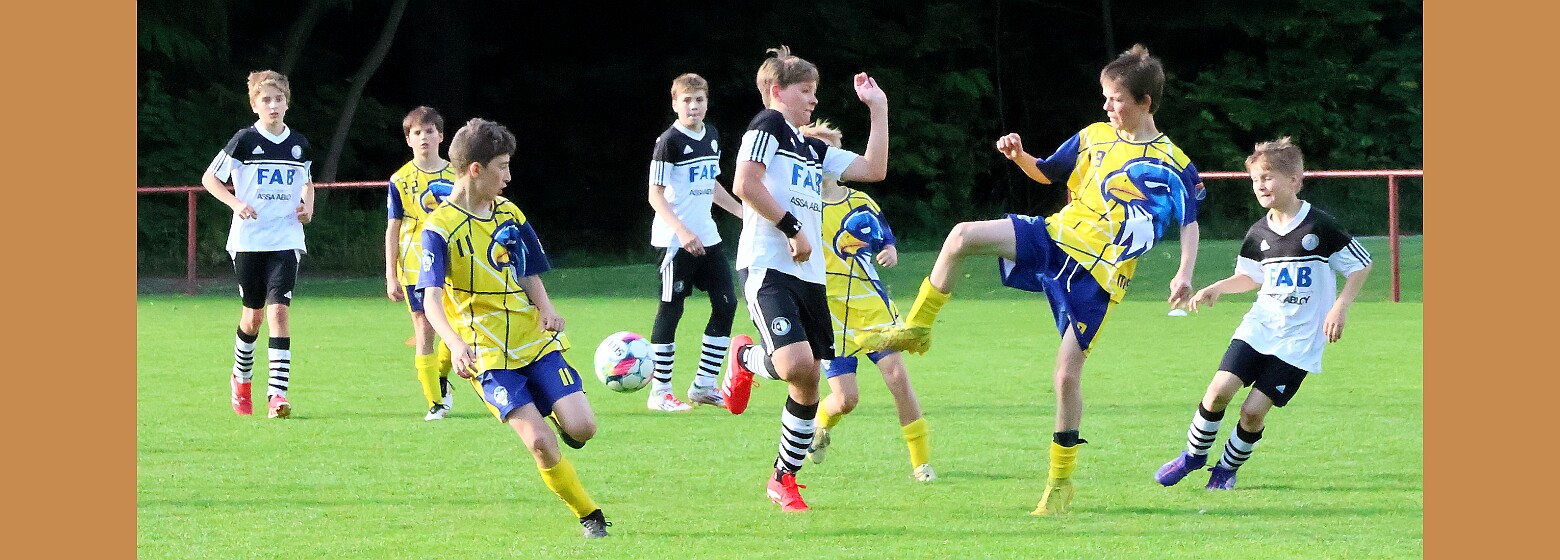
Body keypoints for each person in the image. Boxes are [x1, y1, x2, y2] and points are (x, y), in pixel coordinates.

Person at [857, 44, 1204, 515]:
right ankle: (917, 327)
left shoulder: (1173, 162)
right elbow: (1046, 174)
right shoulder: (1094, 137)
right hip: (1056, 237)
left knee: (1065, 376)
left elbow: (1189, 221)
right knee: (961, 236)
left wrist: (1184, 272)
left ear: (1145, 102)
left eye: (1116, 98)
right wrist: (1021, 156)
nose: (1106, 105)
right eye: (1104, 96)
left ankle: (1060, 484)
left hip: (1099, 278)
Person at [417, 118, 610, 538]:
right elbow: (430, 300)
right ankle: (590, 515)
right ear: (475, 170)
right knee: (539, 442)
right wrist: (454, 343)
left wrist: (547, 310)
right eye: (502, 167)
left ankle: (554, 414)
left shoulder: (510, 214)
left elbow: (528, 273)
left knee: (583, 428)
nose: (508, 176)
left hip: (534, 340)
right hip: (487, 355)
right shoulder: (439, 229)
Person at [719, 46, 890, 513]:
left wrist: (878, 109)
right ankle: (746, 358)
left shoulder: (813, 150)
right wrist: (792, 227)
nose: (814, 100)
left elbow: (873, 169)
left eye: (815, 92)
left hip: (810, 278)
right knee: (796, 364)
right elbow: (744, 183)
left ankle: (783, 479)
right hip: (767, 265)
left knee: (810, 378)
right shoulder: (768, 124)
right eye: (806, 91)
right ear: (778, 91)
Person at [1154, 137, 1372, 491]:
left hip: (1300, 340)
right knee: (1218, 392)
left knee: (1253, 411)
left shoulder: (1320, 226)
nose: (1260, 185)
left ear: (1294, 180)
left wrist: (1340, 306)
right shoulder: (1259, 232)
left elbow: (1361, 265)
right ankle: (1192, 456)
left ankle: (1226, 469)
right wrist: (1217, 287)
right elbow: (1251, 276)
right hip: (1260, 327)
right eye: (1255, 179)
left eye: (1268, 177)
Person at [797, 119, 934, 483]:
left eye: (831, 152)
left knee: (897, 376)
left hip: (870, 306)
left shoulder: (860, 202)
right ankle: (821, 425)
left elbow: (885, 239)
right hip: (829, 314)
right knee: (846, 399)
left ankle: (921, 463)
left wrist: (890, 250)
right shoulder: (802, 207)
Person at [201, 69, 315, 419]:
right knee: (253, 317)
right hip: (249, 240)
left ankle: (276, 396)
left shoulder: (299, 144)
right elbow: (210, 178)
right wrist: (236, 203)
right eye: (266, 100)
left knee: (278, 312)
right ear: (254, 105)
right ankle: (241, 379)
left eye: (279, 99)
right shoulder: (244, 141)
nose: (273, 105)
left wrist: (308, 205)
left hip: (286, 238)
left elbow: (307, 182)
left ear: (287, 103)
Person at [644, 73, 745, 412]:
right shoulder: (668, 142)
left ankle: (703, 385)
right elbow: (655, 195)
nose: (693, 106)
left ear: (706, 102)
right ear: (675, 104)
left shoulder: (711, 136)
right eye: (686, 100)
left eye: (699, 99)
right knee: (671, 309)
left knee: (727, 303)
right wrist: (683, 232)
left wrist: (742, 212)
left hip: (708, 236)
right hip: (675, 240)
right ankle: (660, 392)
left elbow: (711, 184)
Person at [385, 105, 459, 421]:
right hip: (415, 264)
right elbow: (393, 227)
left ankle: (440, 374)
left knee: (459, 326)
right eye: (417, 132)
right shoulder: (400, 180)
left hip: (454, 262)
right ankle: (434, 403)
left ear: (441, 136)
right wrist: (391, 274)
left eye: (429, 131)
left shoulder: (457, 174)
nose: (424, 137)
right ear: (408, 139)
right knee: (424, 327)